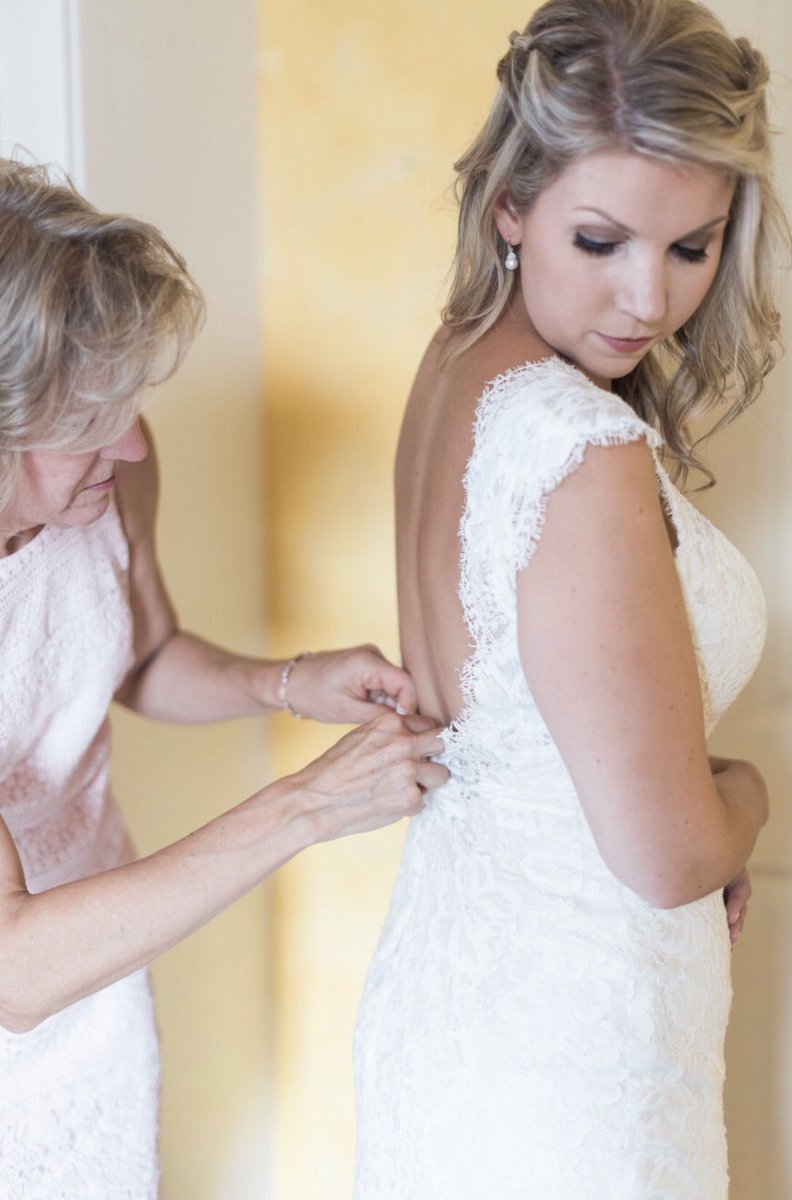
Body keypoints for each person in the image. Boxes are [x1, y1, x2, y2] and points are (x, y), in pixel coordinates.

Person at [353, 1, 789, 1195]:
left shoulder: (457, 365)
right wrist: (740, 793)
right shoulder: (576, 443)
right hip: (576, 1060)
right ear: (512, 205)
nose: (647, 299)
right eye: (601, 242)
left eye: (692, 246)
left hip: (464, 1013)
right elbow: (667, 852)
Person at [0, 157, 448, 1199]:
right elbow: (14, 972)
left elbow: (138, 655)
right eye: (92, 412)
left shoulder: (108, 490)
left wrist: (289, 683)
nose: (137, 437)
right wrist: (310, 805)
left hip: (97, 980)